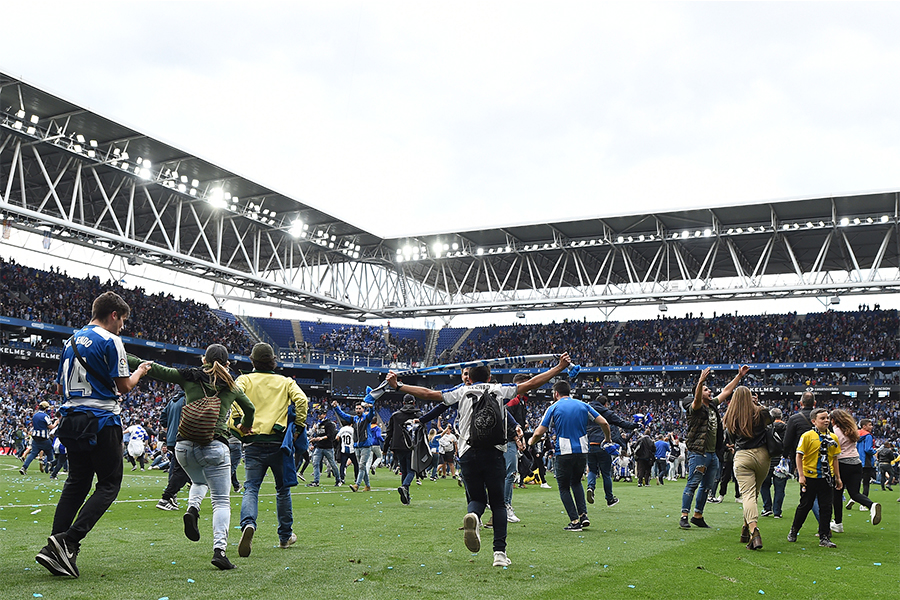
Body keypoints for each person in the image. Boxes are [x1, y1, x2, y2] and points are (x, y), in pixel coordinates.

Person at [386, 353, 573, 568]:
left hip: (467, 452)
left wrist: (399, 386)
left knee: (476, 498)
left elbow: (428, 393)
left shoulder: (460, 392)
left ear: (470, 377)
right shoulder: (499, 390)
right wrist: (558, 368)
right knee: (498, 504)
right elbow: (531, 383)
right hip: (494, 452)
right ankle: (499, 554)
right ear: (490, 375)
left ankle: (474, 515)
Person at [35, 291, 153, 578]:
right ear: (113, 315)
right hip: (101, 419)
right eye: (122, 320)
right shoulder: (111, 340)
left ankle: (55, 547)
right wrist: (139, 372)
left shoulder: (70, 340)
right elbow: (123, 386)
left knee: (77, 483)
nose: (123, 326)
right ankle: (68, 541)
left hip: (71, 419)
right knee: (110, 483)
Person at [130, 343, 255, 569]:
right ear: (227, 364)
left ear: (203, 360)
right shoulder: (232, 386)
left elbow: (152, 367)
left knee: (198, 480)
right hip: (215, 446)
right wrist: (245, 427)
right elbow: (251, 409)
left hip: (183, 447)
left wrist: (118, 354)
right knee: (221, 501)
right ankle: (219, 551)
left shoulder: (188, 377)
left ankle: (192, 510)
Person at [234, 342, 309, 558]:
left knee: (251, 488)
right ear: (273, 361)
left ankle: (248, 524)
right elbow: (301, 400)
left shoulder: (245, 379)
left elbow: (233, 397)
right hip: (279, 442)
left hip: (253, 441)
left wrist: (241, 422)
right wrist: (299, 427)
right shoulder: (286, 382)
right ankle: (285, 537)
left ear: (252, 361)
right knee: (282, 490)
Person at [529, 380, 611, 532]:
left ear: (555, 393)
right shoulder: (583, 405)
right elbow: (604, 423)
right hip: (582, 450)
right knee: (576, 482)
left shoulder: (553, 407)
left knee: (564, 487)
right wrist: (607, 439)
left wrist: (531, 442)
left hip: (564, 451)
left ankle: (574, 521)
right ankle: (583, 515)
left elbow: (539, 432)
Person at [679, 365, 749, 530]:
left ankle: (698, 515)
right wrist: (700, 382)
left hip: (712, 454)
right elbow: (696, 401)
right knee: (693, 484)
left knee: (706, 486)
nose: (710, 391)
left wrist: (739, 376)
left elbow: (726, 391)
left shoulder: (712, 406)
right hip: (699, 453)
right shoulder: (695, 409)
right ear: (698, 391)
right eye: (706, 389)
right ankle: (684, 515)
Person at [722, 386, 772, 550]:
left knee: (748, 496)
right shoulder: (761, 412)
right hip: (763, 455)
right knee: (753, 495)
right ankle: (745, 530)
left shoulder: (730, 416)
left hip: (743, 456)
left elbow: (731, 438)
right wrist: (757, 405)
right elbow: (769, 423)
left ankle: (753, 531)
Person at [788, 408, 842, 548]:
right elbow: (799, 455)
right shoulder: (807, 436)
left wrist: (837, 477)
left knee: (826, 507)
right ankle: (794, 530)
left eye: (827, 418)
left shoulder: (833, 438)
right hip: (809, 476)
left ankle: (824, 536)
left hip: (826, 477)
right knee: (805, 505)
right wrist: (800, 475)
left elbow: (835, 459)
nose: (826, 420)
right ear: (814, 421)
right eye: (822, 418)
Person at [829, 408, 880, 531]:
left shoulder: (834, 431)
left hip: (841, 463)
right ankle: (871, 505)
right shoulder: (852, 431)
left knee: (837, 494)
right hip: (856, 463)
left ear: (833, 420)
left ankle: (838, 523)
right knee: (854, 493)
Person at [586, 394, 638, 507]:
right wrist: (636, 425)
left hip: (589, 444)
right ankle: (609, 498)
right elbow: (622, 423)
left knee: (592, 471)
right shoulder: (606, 413)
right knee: (606, 474)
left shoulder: (586, 410)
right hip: (603, 444)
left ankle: (590, 487)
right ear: (605, 404)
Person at [383, 393, 423, 505]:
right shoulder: (419, 415)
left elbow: (389, 433)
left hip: (398, 446)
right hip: (412, 446)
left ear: (403, 403)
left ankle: (406, 497)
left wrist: (385, 448)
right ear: (414, 403)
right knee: (412, 470)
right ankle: (405, 487)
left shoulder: (395, 415)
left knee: (404, 470)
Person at [156, 391, 191, 511]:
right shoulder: (188, 398)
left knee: (177, 467)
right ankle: (167, 497)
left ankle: (171, 496)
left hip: (172, 438)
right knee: (183, 470)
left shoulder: (173, 400)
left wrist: (170, 428)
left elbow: (163, 418)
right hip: (183, 437)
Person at [332, 399, 377, 492]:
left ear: (363, 409)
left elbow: (371, 414)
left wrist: (372, 408)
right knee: (362, 466)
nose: (358, 410)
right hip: (357, 446)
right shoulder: (354, 419)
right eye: (356, 409)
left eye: (360, 408)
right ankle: (367, 486)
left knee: (361, 466)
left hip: (366, 446)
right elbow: (343, 415)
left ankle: (357, 485)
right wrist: (336, 408)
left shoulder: (366, 418)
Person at [760, 407, 788, 518]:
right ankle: (777, 511)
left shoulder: (766, 428)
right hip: (781, 461)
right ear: (781, 416)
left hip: (767, 459)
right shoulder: (787, 429)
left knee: (764, 485)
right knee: (780, 488)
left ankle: (767, 508)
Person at [20, 401, 57, 475]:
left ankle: (24, 467)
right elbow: (51, 426)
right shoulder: (45, 416)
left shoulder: (35, 415)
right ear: (46, 408)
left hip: (36, 438)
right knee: (50, 454)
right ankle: (51, 470)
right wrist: (56, 423)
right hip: (44, 438)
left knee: (32, 454)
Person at [307, 411, 340, 487]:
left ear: (324, 414)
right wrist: (315, 439)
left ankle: (338, 479)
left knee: (332, 464)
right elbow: (318, 434)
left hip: (328, 447)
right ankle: (316, 481)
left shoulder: (329, 424)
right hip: (319, 447)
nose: (319, 415)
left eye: (320, 414)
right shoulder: (318, 424)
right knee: (315, 463)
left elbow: (330, 436)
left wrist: (320, 438)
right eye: (318, 414)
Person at [856, 419, 877, 498]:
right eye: (870, 425)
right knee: (866, 483)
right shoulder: (868, 436)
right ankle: (864, 502)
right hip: (866, 461)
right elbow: (868, 449)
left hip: (857, 460)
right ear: (864, 426)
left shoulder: (856, 434)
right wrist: (874, 451)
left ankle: (853, 498)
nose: (871, 426)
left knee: (857, 481)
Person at [337, 421, 357, 485]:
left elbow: (337, 437)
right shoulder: (352, 429)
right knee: (356, 464)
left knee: (342, 465)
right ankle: (356, 478)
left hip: (344, 449)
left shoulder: (342, 429)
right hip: (351, 449)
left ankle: (342, 478)